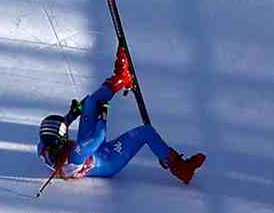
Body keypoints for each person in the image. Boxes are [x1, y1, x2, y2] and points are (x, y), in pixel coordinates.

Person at [38, 47, 205, 184]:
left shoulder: (43, 147)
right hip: (107, 159)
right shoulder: (76, 154)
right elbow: (98, 137)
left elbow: (59, 130)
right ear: (61, 143)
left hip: (90, 150)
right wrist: (103, 113)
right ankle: (180, 168)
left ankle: (121, 78)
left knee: (90, 103)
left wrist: (72, 114)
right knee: (145, 132)